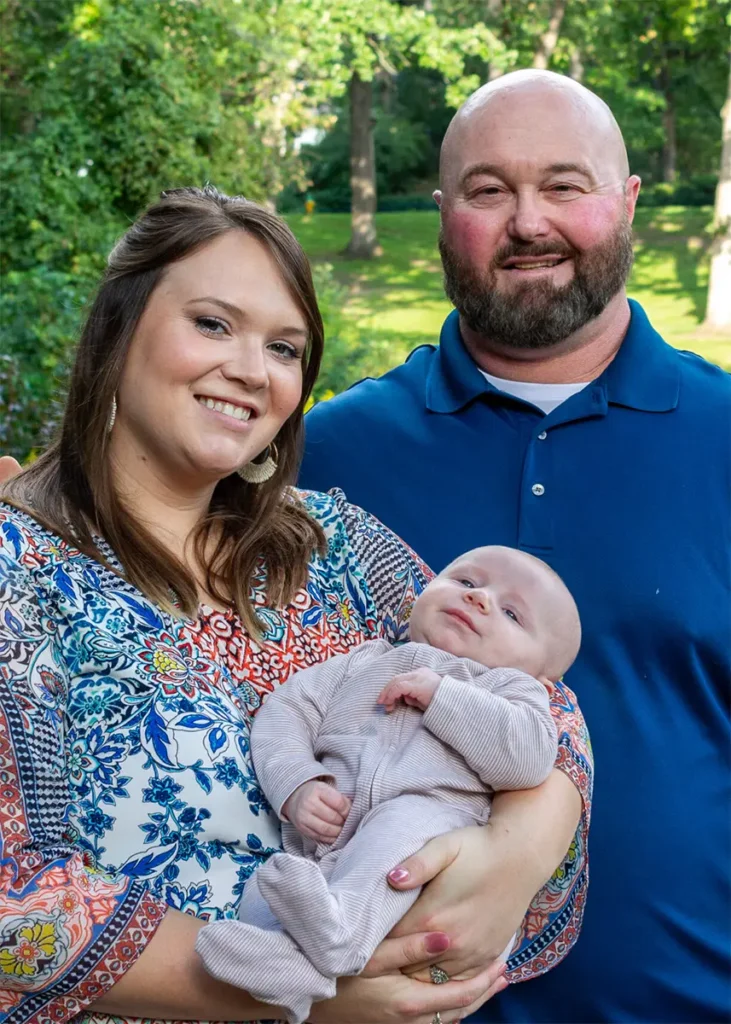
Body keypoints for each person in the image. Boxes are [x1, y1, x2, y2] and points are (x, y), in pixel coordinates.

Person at [0, 185, 592, 1024]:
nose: (249, 369)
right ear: (117, 329)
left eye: (284, 347)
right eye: (212, 323)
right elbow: (13, 901)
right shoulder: (17, 572)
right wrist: (293, 998)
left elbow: (536, 691)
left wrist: (519, 846)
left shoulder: (337, 545)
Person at [299, 69, 731, 1023]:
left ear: (624, 202)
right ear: (444, 212)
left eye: (564, 186)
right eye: (488, 191)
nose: (527, 220)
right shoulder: (324, 455)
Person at [197, 546, 580, 1023]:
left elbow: (526, 758)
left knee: (400, 824)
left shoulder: (512, 691)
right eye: (465, 582)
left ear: (546, 679)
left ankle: (340, 942)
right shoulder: (364, 662)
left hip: (429, 850)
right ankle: (296, 974)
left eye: (511, 612)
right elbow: (286, 713)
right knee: (268, 886)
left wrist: (443, 696)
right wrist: (297, 784)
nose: (480, 598)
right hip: (327, 854)